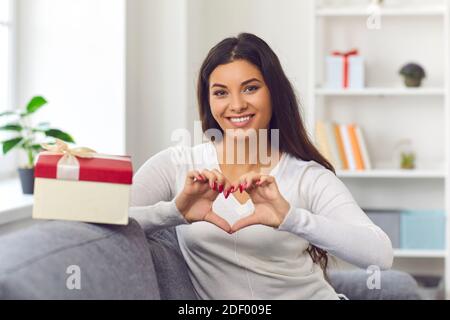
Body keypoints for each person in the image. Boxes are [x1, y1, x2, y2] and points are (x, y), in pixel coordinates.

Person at [129, 33, 393, 300]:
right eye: (221, 92)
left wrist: (291, 219)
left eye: (250, 88)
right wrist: (173, 212)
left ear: (274, 93)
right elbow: (111, 219)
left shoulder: (307, 177)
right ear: (208, 100)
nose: (236, 105)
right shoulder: (176, 165)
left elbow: (380, 254)